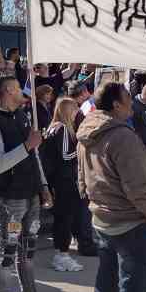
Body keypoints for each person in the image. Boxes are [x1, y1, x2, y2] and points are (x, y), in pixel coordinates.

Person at [78, 81, 146, 292]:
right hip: (129, 222)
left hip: (102, 218)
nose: (132, 98)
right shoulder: (123, 137)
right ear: (117, 105)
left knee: (106, 281)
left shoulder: (88, 131)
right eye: (128, 95)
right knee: (132, 288)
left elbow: (82, 179)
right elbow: (139, 189)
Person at [0, 75, 51, 292]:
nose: (23, 91)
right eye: (19, 88)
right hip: (10, 199)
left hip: (31, 194)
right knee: (8, 254)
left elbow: (34, 155)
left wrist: (44, 186)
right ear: (9, 91)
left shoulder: (21, 115)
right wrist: (28, 145)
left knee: (27, 253)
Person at [41, 96, 85, 272]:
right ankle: (62, 255)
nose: (77, 113)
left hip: (58, 181)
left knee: (63, 218)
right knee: (64, 218)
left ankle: (63, 252)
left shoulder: (54, 128)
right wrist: (81, 150)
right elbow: (65, 155)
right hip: (64, 181)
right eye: (74, 109)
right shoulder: (63, 129)